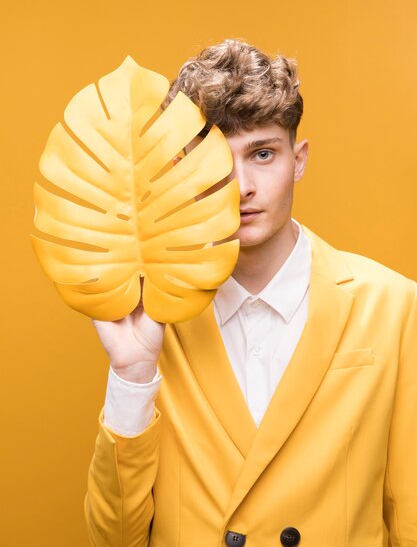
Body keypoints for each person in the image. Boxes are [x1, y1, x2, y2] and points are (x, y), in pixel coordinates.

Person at [85, 40, 417, 547]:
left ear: (298, 160)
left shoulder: (394, 307)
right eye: (213, 159)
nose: (240, 186)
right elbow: (114, 539)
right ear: (180, 170)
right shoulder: (151, 317)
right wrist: (131, 377)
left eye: (262, 154)